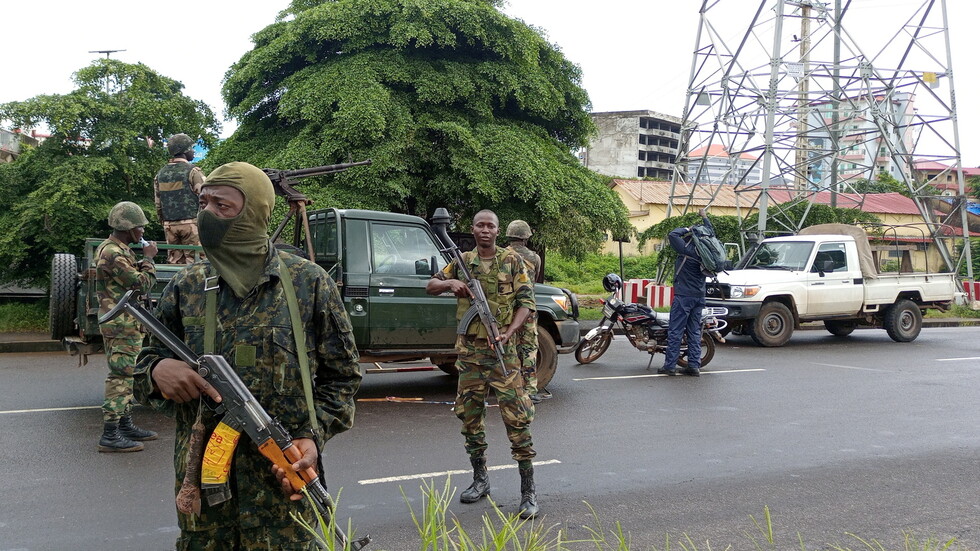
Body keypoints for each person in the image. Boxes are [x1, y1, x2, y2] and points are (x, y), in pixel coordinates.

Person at [133, 162, 362, 549]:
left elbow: (344, 377)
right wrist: (157, 370)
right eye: (203, 203)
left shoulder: (309, 283)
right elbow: (142, 369)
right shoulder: (185, 287)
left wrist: (312, 436)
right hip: (205, 499)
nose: (208, 215)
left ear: (254, 210)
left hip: (285, 485)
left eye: (222, 206)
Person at [426, 210, 539, 519]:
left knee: (517, 421)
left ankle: (528, 492)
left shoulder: (512, 261)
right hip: (470, 356)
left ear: (497, 231)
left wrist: (509, 332)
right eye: (480, 225)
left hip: (504, 355)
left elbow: (527, 303)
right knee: (469, 418)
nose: (485, 230)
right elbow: (430, 286)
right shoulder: (463, 262)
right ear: (473, 229)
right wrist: (451, 283)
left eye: (491, 226)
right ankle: (480, 480)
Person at [96, 201, 159, 452]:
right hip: (120, 323)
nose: (143, 232)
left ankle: (124, 425)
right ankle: (110, 434)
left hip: (123, 321)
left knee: (128, 374)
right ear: (129, 228)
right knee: (120, 376)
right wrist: (148, 260)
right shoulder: (113, 252)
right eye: (140, 228)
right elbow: (142, 284)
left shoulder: (117, 249)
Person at [659, 207, 714, 377]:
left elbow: (673, 234)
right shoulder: (706, 252)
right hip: (699, 296)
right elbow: (711, 231)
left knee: (676, 330)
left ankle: (670, 366)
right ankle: (694, 366)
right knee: (694, 331)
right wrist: (704, 218)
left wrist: (688, 229)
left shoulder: (686, 249)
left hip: (684, 296)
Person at [504, 219, 549, 404]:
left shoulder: (502, 255)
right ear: (526, 237)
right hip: (528, 310)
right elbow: (534, 281)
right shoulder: (535, 258)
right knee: (529, 349)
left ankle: (510, 388)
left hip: (507, 311)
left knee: (510, 349)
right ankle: (529, 390)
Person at [154, 133, 205, 264]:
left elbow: (158, 204)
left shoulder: (160, 174)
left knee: (175, 264)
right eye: (191, 148)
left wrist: (165, 223)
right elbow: (206, 197)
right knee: (196, 263)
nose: (193, 151)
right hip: (192, 225)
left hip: (169, 225)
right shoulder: (193, 171)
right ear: (185, 150)